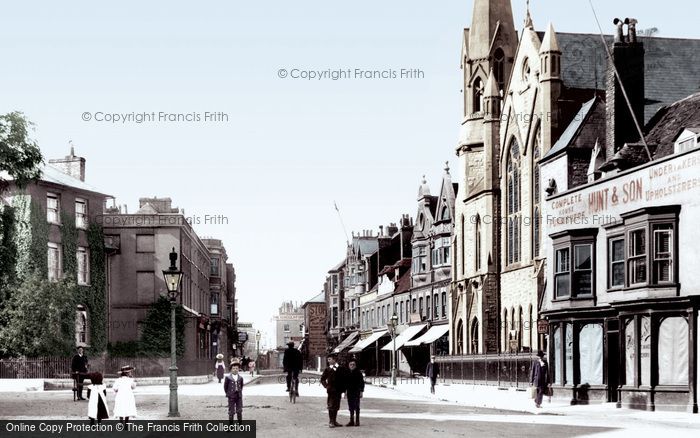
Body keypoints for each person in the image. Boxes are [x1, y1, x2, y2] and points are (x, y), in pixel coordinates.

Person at [320, 353, 348, 428]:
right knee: (331, 405)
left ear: (334, 360)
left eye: (329, 359)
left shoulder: (341, 368)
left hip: (338, 390)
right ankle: (331, 421)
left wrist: (344, 390)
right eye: (328, 359)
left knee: (336, 406)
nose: (328, 361)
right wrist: (326, 386)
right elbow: (322, 379)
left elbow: (344, 380)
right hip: (331, 390)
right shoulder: (328, 369)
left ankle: (334, 421)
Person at [344, 359, 364, 427]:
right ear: (348, 365)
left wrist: (361, 391)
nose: (352, 366)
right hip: (349, 392)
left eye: (353, 364)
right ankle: (351, 421)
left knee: (357, 406)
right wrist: (345, 392)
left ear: (355, 365)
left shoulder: (358, 373)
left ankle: (357, 421)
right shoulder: (347, 373)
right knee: (350, 407)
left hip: (356, 392)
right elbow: (345, 383)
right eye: (350, 364)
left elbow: (361, 383)